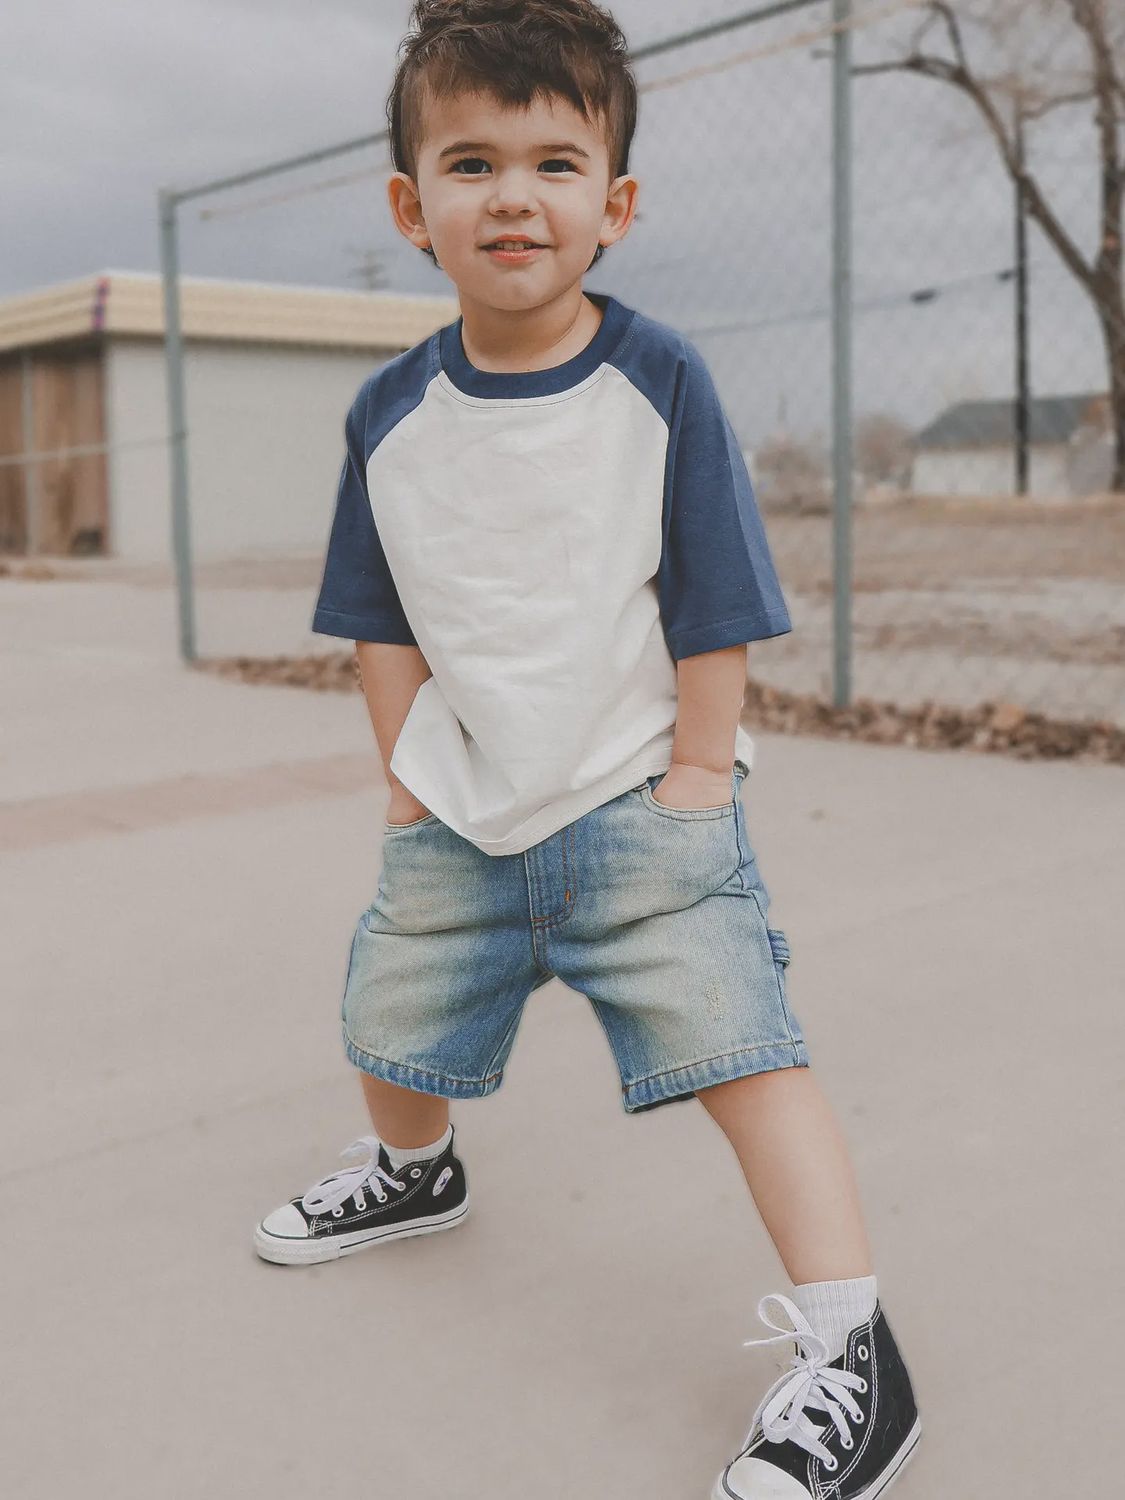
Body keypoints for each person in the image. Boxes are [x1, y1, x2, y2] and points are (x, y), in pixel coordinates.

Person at [253, 3, 922, 1495]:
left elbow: (715, 602)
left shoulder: (657, 380)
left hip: (639, 805)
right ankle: (416, 1172)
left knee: (744, 1054)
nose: (512, 195)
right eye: (470, 161)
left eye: (555, 162)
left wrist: (695, 782)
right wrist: (407, 782)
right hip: (463, 810)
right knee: (389, 1016)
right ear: (408, 207)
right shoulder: (389, 413)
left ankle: (849, 1349)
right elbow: (376, 616)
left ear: (611, 207)